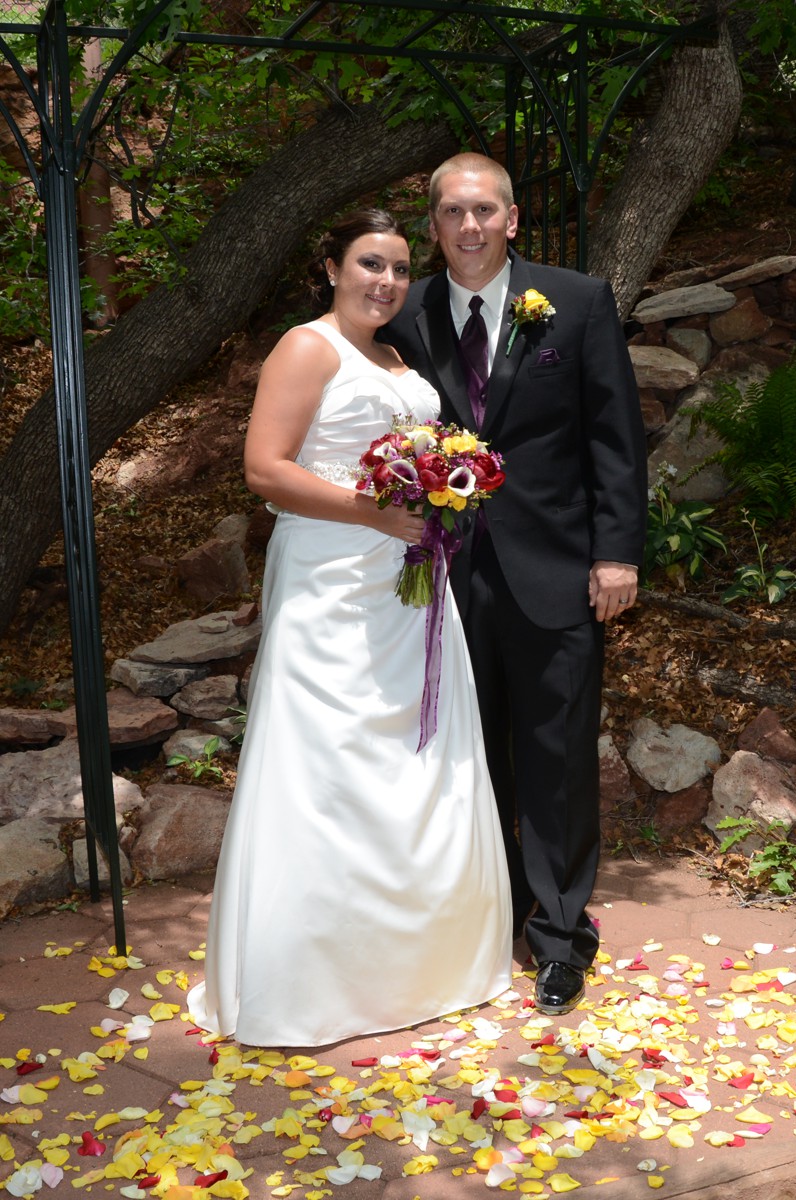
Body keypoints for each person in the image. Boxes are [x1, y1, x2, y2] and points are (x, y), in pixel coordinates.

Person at [187, 208, 513, 1048]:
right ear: (331, 267)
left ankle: (425, 968)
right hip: (332, 578)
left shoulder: (399, 360)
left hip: (409, 581)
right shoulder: (307, 347)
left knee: (416, 758)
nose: (388, 282)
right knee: (327, 764)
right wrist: (373, 513)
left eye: (402, 269)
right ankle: (308, 985)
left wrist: (444, 491)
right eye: (371, 263)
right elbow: (266, 469)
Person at [384, 154, 648, 1016]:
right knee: (468, 756)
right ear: (433, 225)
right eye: (453, 212)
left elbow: (614, 437)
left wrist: (617, 555)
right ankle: (490, 917)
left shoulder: (574, 302)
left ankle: (563, 937)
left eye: (484, 211)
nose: (469, 226)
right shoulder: (407, 313)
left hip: (557, 571)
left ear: (513, 219)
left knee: (557, 758)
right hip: (444, 574)